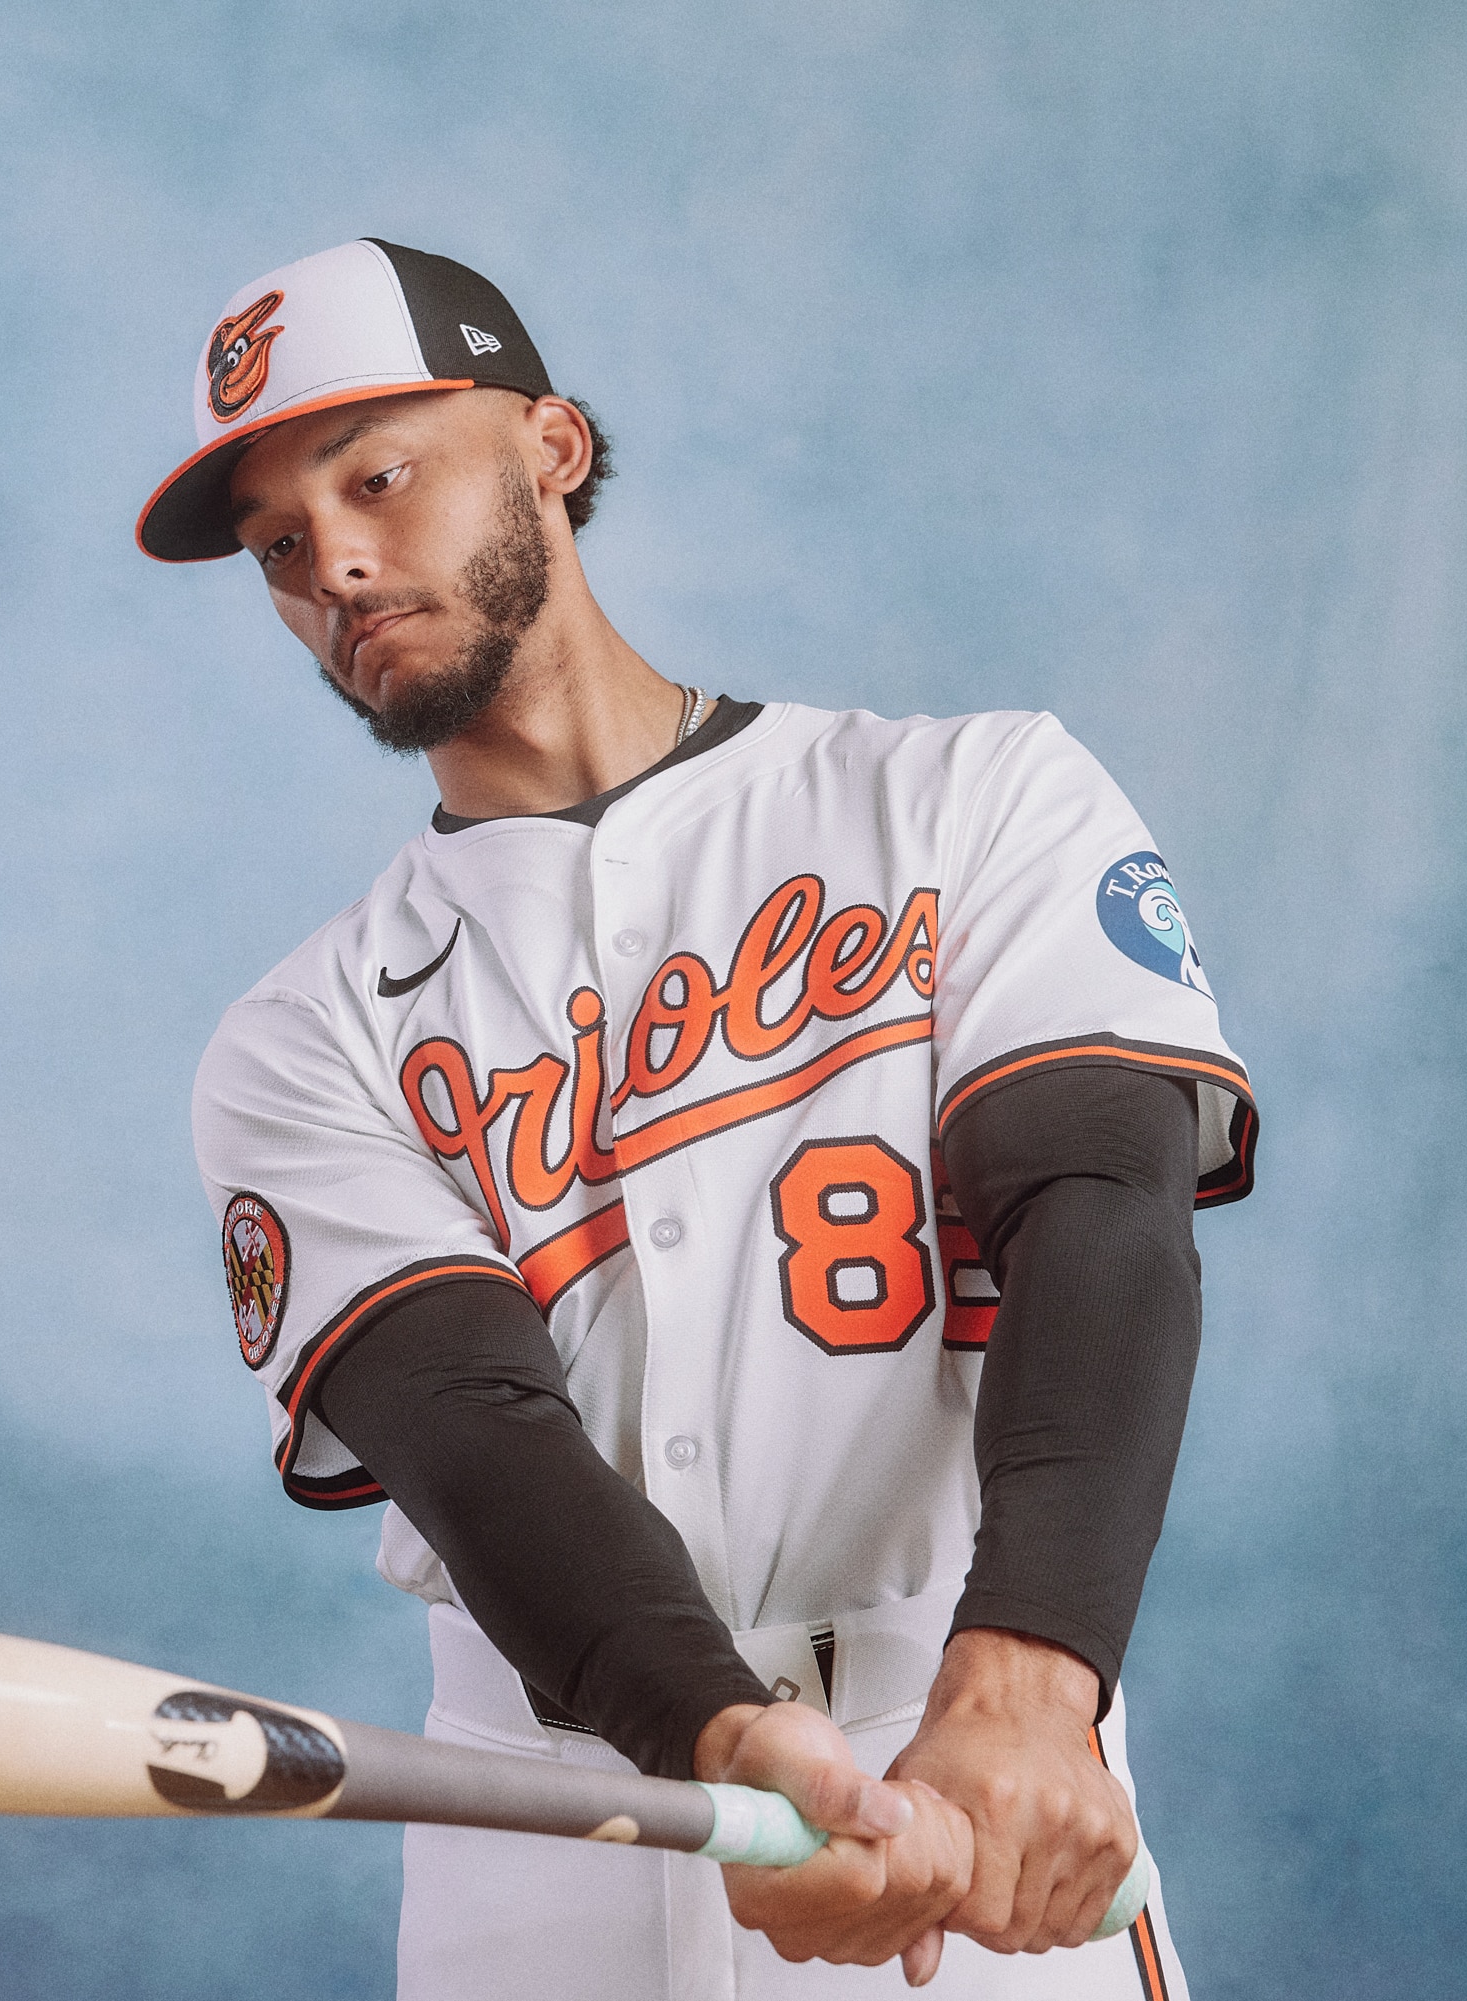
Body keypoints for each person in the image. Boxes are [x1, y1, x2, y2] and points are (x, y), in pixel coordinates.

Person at [144, 240, 1255, 1998]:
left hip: (958, 1753)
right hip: (548, 1820)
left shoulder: (968, 798)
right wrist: (716, 1738)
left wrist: (1032, 1683)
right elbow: (471, 1426)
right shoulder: (299, 1038)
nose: (335, 560)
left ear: (553, 448)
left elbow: (1100, 1211)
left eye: (380, 475)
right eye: (283, 540)